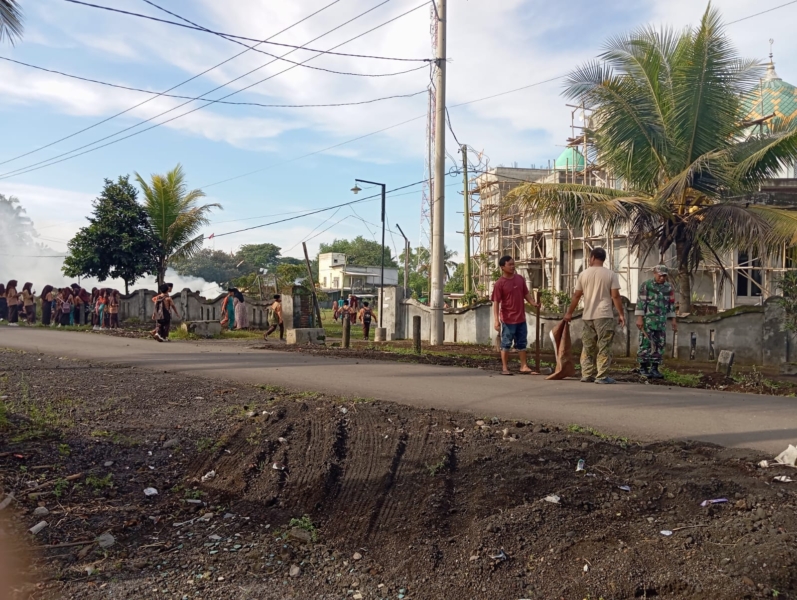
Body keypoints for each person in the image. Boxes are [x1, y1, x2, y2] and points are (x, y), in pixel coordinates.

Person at [564, 247, 626, 384]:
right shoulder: (610, 274)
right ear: (603, 259)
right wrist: (621, 314)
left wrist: (569, 313)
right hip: (604, 315)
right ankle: (602, 376)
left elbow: (576, 295)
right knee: (604, 345)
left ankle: (586, 374)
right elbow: (615, 296)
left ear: (592, 258)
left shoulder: (583, 274)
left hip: (588, 315)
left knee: (587, 346)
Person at [491, 256, 541, 375]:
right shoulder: (499, 283)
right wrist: (496, 320)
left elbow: (526, 294)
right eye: (510, 264)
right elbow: (496, 302)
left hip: (520, 318)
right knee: (506, 343)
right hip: (508, 319)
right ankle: (505, 368)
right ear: (502, 267)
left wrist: (533, 303)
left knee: (522, 342)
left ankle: (524, 366)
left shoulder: (520, 279)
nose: (513, 266)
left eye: (513, 264)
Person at [635, 265, 677, 379]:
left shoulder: (668, 288)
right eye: (660, 275)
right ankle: (643, 368)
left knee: (659, 344)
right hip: (648, 321)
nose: (662, 278)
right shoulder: (646, 285)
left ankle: (654, 368)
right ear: (654, 273)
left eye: (664, 276)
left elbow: (671, 304)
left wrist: (673, 320)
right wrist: (639, 318)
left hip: (661, 322)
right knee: (646, 344)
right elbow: (640, 302)